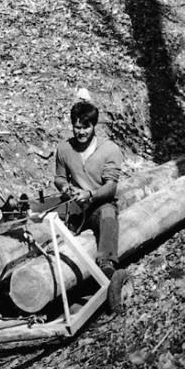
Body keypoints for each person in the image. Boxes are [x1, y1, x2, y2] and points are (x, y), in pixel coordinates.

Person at [53, 99, 123, 279]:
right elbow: (59, 177)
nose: (81, 132)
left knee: (108, 213)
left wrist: (91, 194)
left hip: (99, 205)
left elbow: (111, 187)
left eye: (86, 127)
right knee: (45, 214)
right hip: (74, 205)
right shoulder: (64, 149)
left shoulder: (110, 150)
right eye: (77, 127)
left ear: (94, 126)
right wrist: (64, 187)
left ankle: (106, 262)